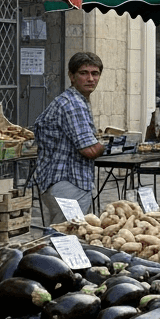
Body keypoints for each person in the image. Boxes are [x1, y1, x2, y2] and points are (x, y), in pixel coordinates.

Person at [31, 52, 106, 223]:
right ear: (71, 76)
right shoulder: (73, 104)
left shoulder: (75, 100)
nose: (90, 78)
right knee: (66, 238)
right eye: (83, 73)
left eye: (95, 74)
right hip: (68, 183)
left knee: (60, 237)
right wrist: (110, 144)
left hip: (60, 183)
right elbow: (90, 150)